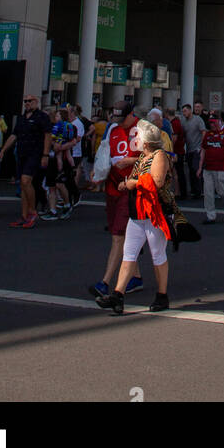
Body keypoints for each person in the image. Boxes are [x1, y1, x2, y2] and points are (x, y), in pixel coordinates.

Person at [95, 121, 172, 314]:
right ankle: (118, 294)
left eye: (137, 136)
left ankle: (162, 295)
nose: (134, 139)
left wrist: (132, 183)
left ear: (145, 142)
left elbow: (156, 181)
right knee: (129, 253)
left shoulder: (159, 156)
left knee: (158, 255)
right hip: (138, 211)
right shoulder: (143, 157)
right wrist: (128, 183)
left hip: (154, 212)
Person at [88, 106, 145, 299]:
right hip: (113, 187)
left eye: (123, 118)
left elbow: (153, 159)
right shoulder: (113, 129)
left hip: (131, 188)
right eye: (117, 118)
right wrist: (98, 170)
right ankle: (136, 277)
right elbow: (105, 152)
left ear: (132, 114)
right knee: (122, 234)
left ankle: (105, 282)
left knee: (118, 237)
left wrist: (130, 162)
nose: (120, 122)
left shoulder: (142, 130)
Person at [0, 93, 52, 228]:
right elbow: (14, 135)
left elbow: (47, 135)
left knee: (26, 180)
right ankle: (24, 215)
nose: (27, 103)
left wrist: (45, 155)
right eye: (25, 101)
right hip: (22, 153)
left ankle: (32, 211)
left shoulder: (42, 117)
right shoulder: (22, 118)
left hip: (35, 153)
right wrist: (3, 150)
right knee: (22, 184)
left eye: (30, 101)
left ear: (36, 102)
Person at [198, 114, 224, 223]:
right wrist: (200, 167)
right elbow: (203, 150)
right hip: (208, 168)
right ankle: (211, 216)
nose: (212, 125)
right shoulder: (208, 135)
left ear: (219, 122)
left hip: (223, 168)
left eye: (214, 122)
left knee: (223, 191)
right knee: (208, 192)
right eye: (210, 123)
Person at [180, 103, 206, 198]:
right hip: (189, 148)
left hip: (197, 148)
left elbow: (203, 131)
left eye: (185, 111)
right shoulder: (183, 122)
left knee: (196, 168)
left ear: (190, 111)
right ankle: (194, 190)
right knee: (190, 169)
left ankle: (200, 190)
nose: (184, 113)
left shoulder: (197, 120)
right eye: (183, 111)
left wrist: (201, 146)